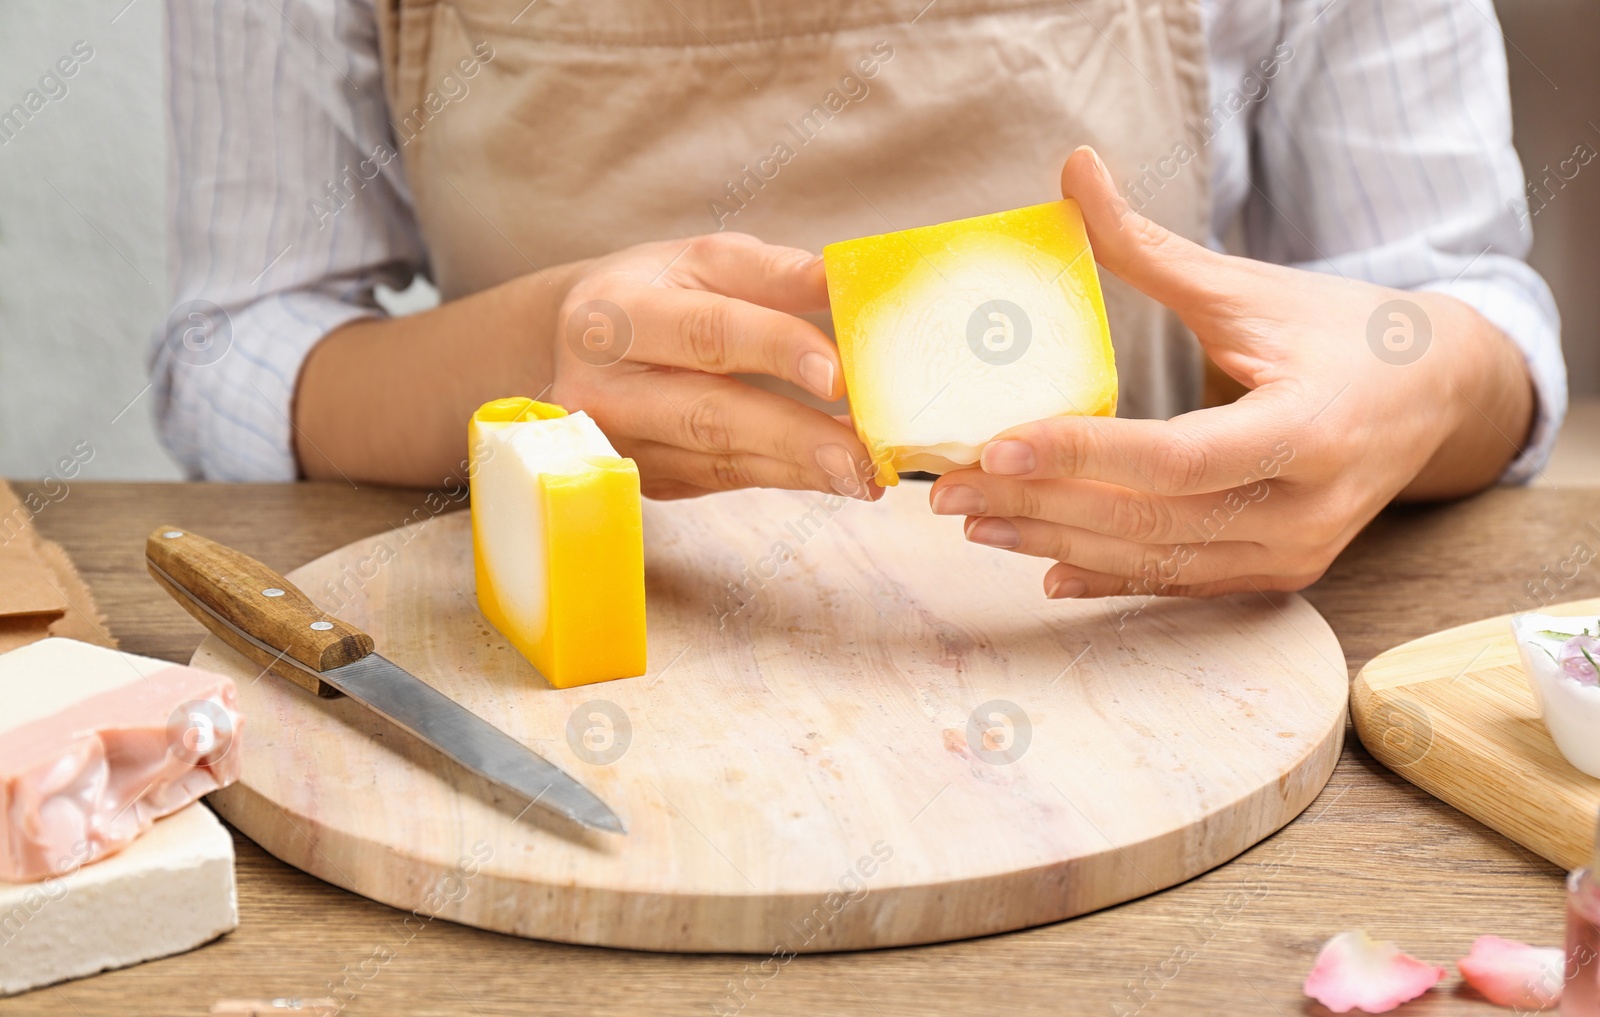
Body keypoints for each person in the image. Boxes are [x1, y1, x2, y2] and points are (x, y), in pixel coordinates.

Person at [155, 0, 1563, 600]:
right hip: (595, 671)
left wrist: (1400, 388)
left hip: (1140, 651)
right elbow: (239, 337)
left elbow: (1464, 304)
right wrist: (533, 354)